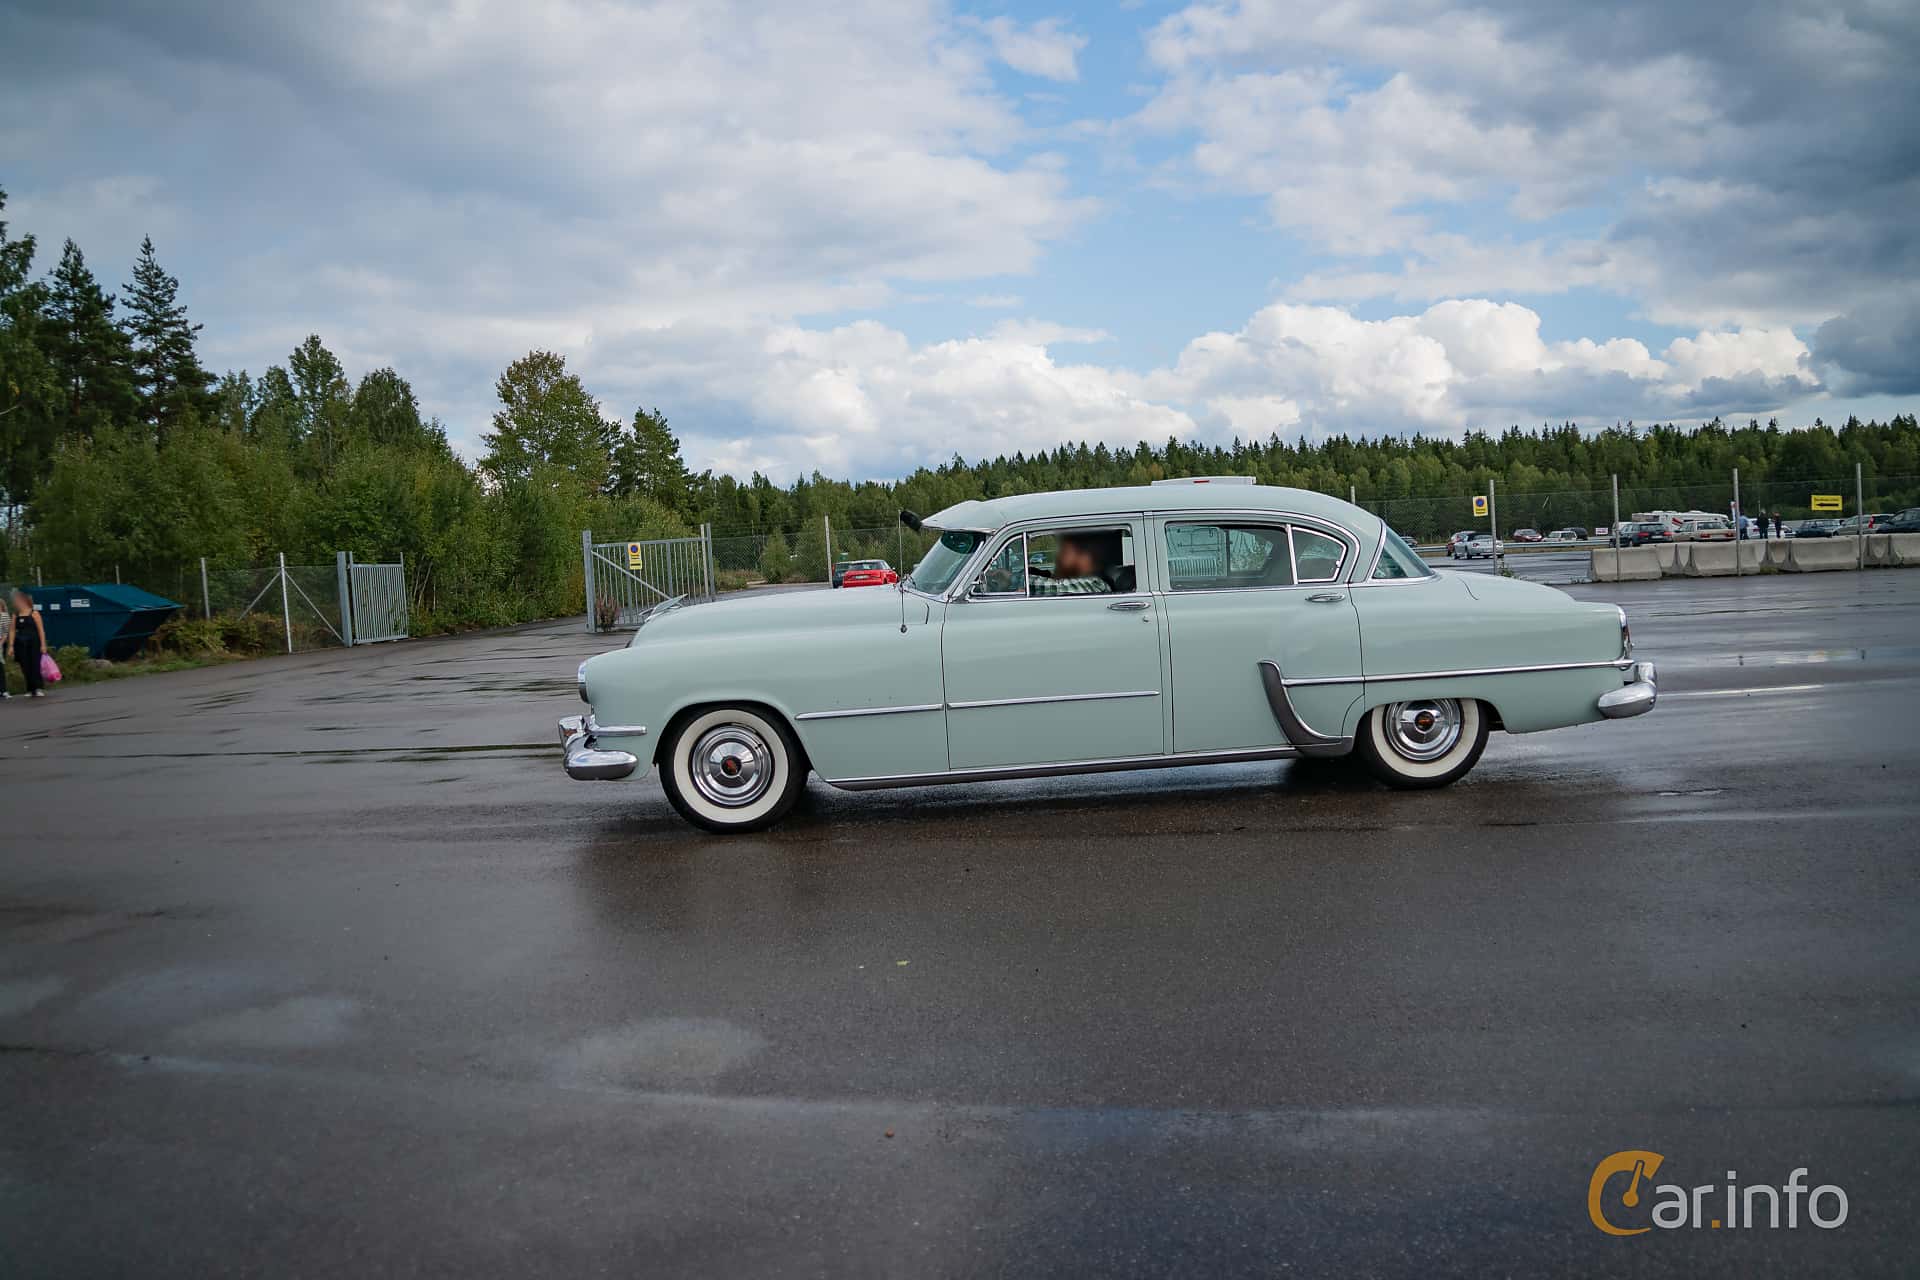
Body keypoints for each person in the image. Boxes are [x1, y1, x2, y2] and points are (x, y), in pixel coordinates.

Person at [1030, 531, 1135, 595]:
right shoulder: (1082, 577)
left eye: (1066, 552)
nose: (1060, 557)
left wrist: (1025, 579)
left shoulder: (1096, 583)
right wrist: (1035, 572)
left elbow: (1054, 586)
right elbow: (1056, 578)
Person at [11, 588, 47, 698]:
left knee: (34, 665)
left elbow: (41, 630)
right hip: (21, 643)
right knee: (25, 666)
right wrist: (11, 646)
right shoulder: (15, 615)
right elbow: (12, 630)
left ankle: (38, 688)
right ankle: (30, 689)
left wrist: (43, 644)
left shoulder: (34, 613)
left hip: (34, 643)